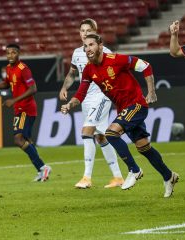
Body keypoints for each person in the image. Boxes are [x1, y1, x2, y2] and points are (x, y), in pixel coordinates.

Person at [61, 34, 179, 198]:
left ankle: (134, 170)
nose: (88, 49)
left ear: (100, 46)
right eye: (85, 46)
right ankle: (169, 176)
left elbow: (146, 66)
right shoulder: (88, 70)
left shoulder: (117, 59)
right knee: (144, 147)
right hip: (123, 110)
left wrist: (151, 92)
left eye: (91, 45)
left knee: (110, 133)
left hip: (137, 104)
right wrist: (69, 105)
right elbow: (81, 94)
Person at [59, 18, 124, 189]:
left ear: (95, 31)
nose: (84, 33)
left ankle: (86, 177)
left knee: (87, 131)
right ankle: (118, 177)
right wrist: (64, 87)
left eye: (88, 30)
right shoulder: (77, 53)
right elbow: (72, 73)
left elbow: (115, 74)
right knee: (100, 136)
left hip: (102, 96)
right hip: (86, 99)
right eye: (82, 31)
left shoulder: (105, 52)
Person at [0, 43, 51, 182]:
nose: (10, 55)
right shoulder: (8, 68)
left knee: (18, 139)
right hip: (19, 108)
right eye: (8, 53)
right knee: (26, 141)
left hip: (26, 108)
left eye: (13, 52)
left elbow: (33, 89)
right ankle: (41, 170)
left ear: (18, 53)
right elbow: (7, 83)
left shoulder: (23, 69)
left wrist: (14, 100)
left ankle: (43, 167)